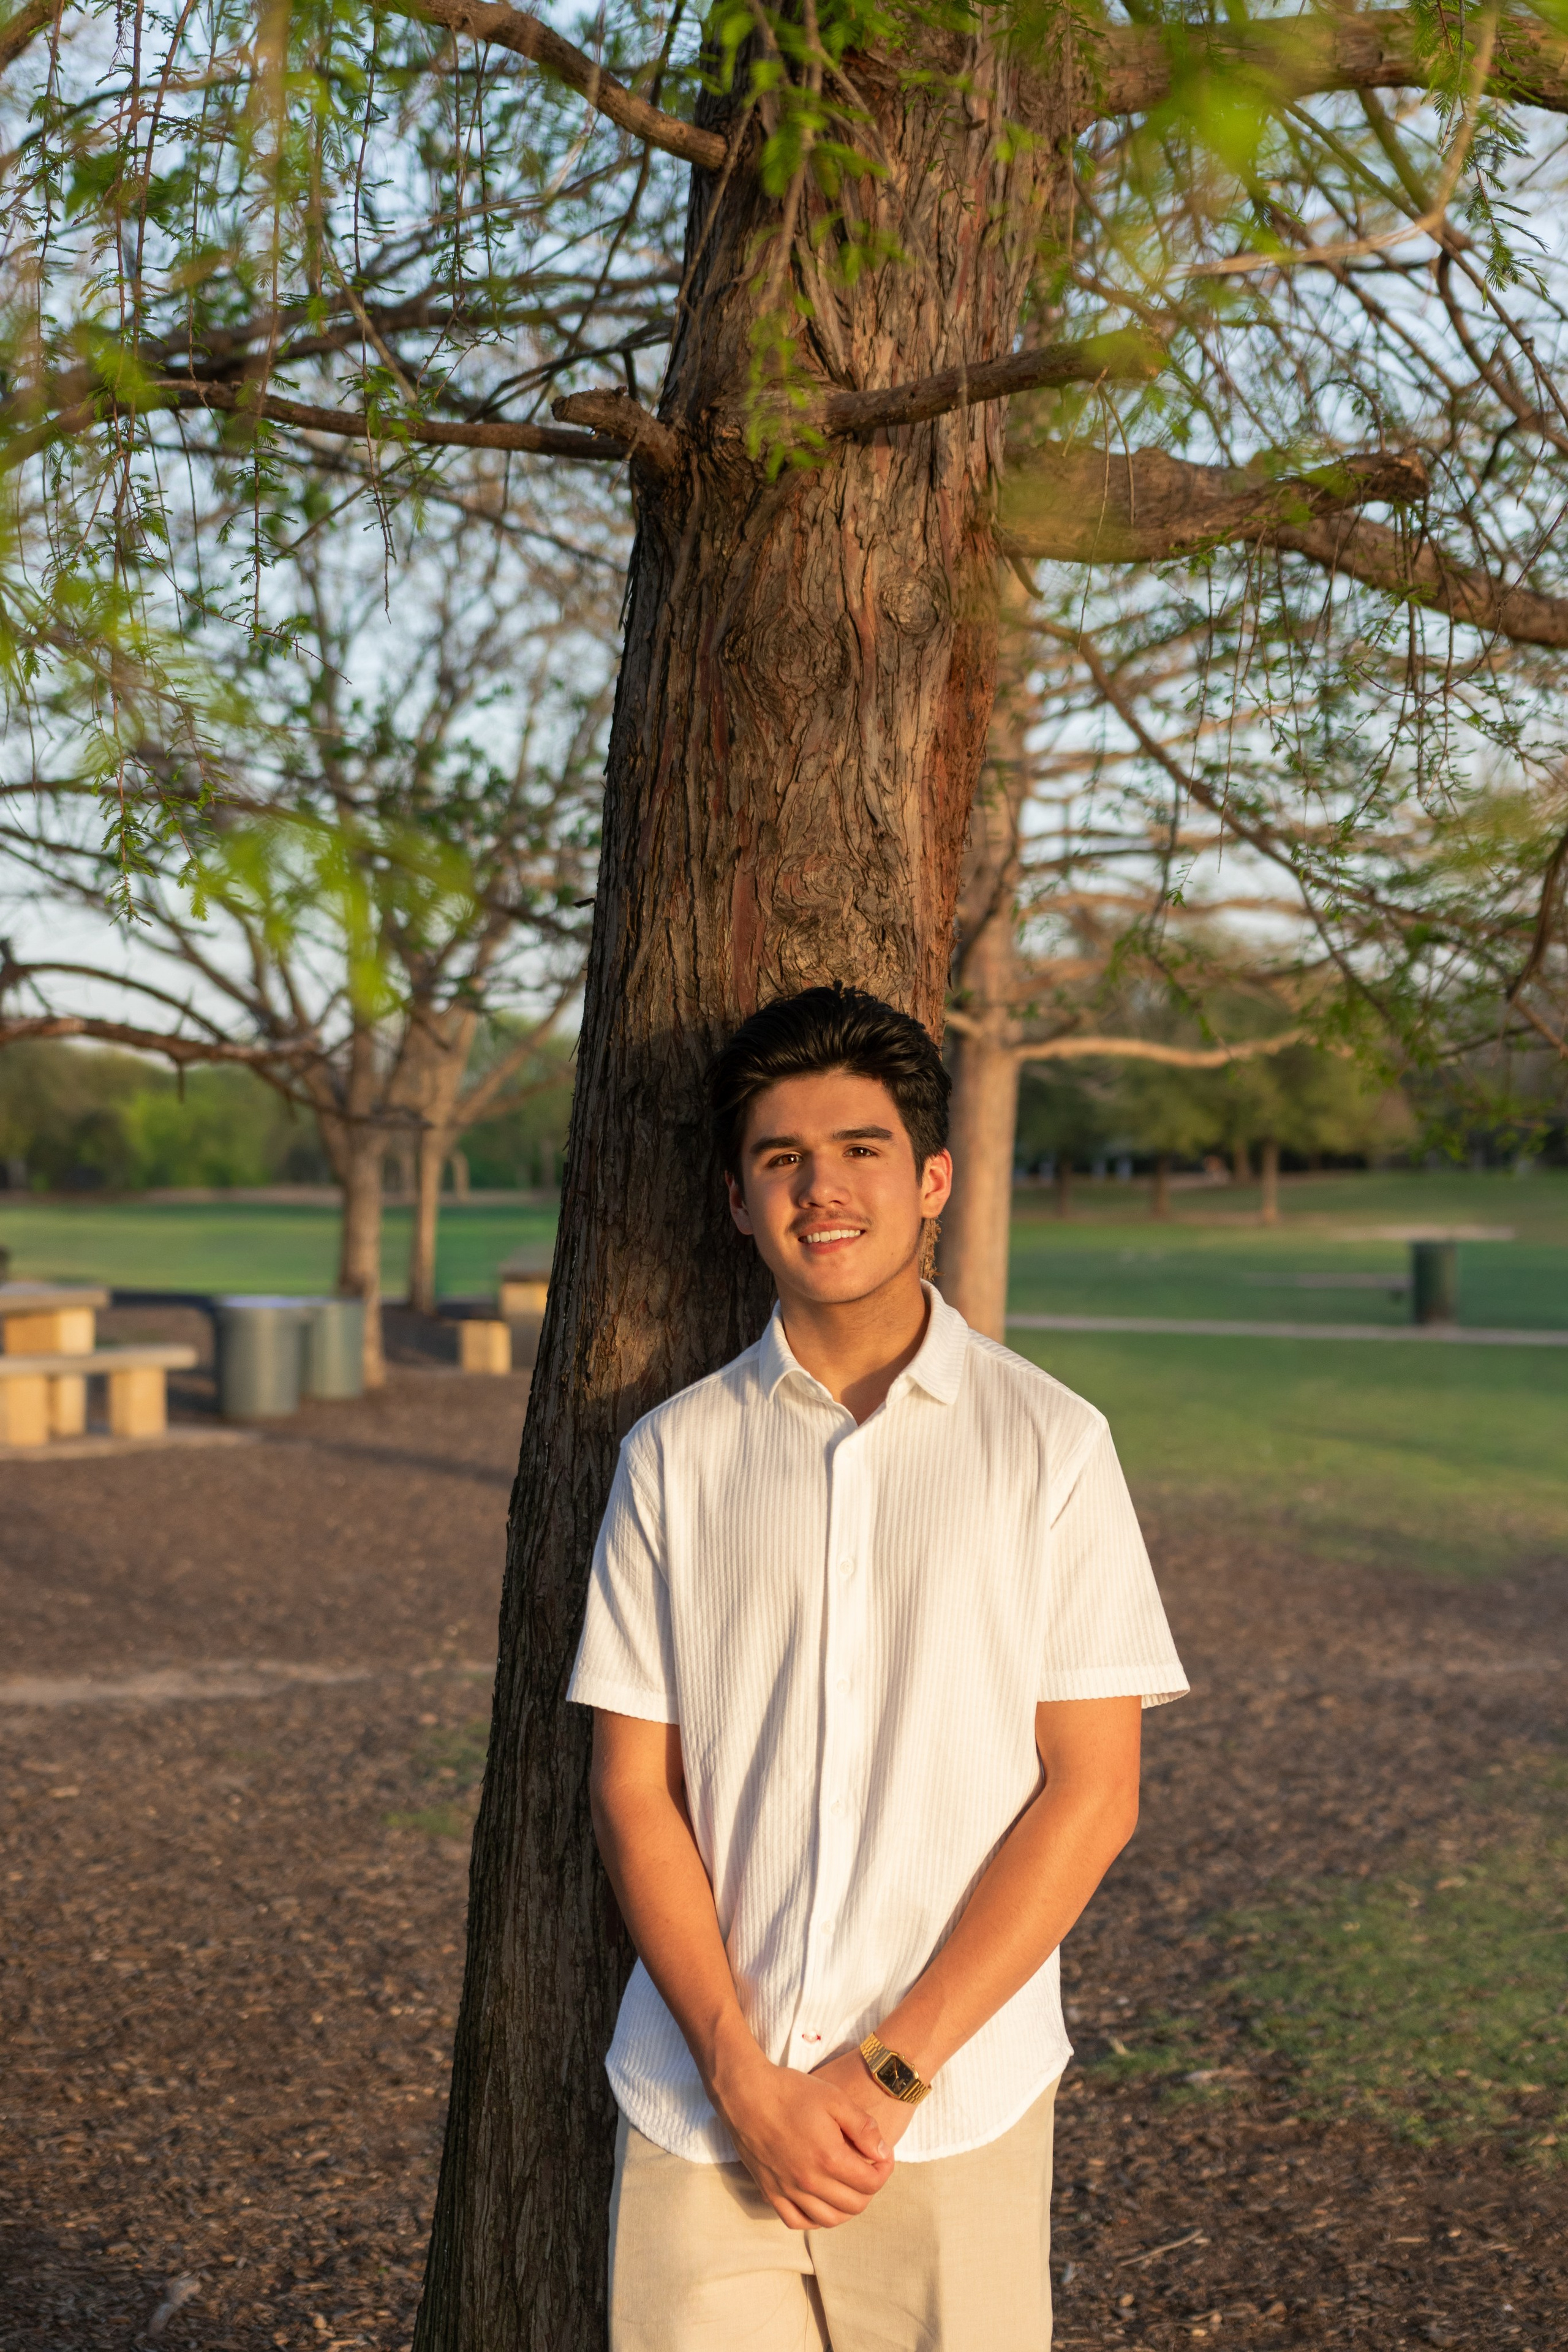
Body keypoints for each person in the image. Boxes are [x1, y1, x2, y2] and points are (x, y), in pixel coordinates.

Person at [568, 985, 1188, 2351]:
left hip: (953, 2111)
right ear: (737, 1201)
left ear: (932, 1181)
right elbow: (631, 1792)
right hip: (698, 2113)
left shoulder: (1050, 1447)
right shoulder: (672, 1458)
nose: (820, 1189)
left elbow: (1093, 1794)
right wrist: (743, 2078)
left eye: (858, 1150)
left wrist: (891, 2069)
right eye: (779, 1159)